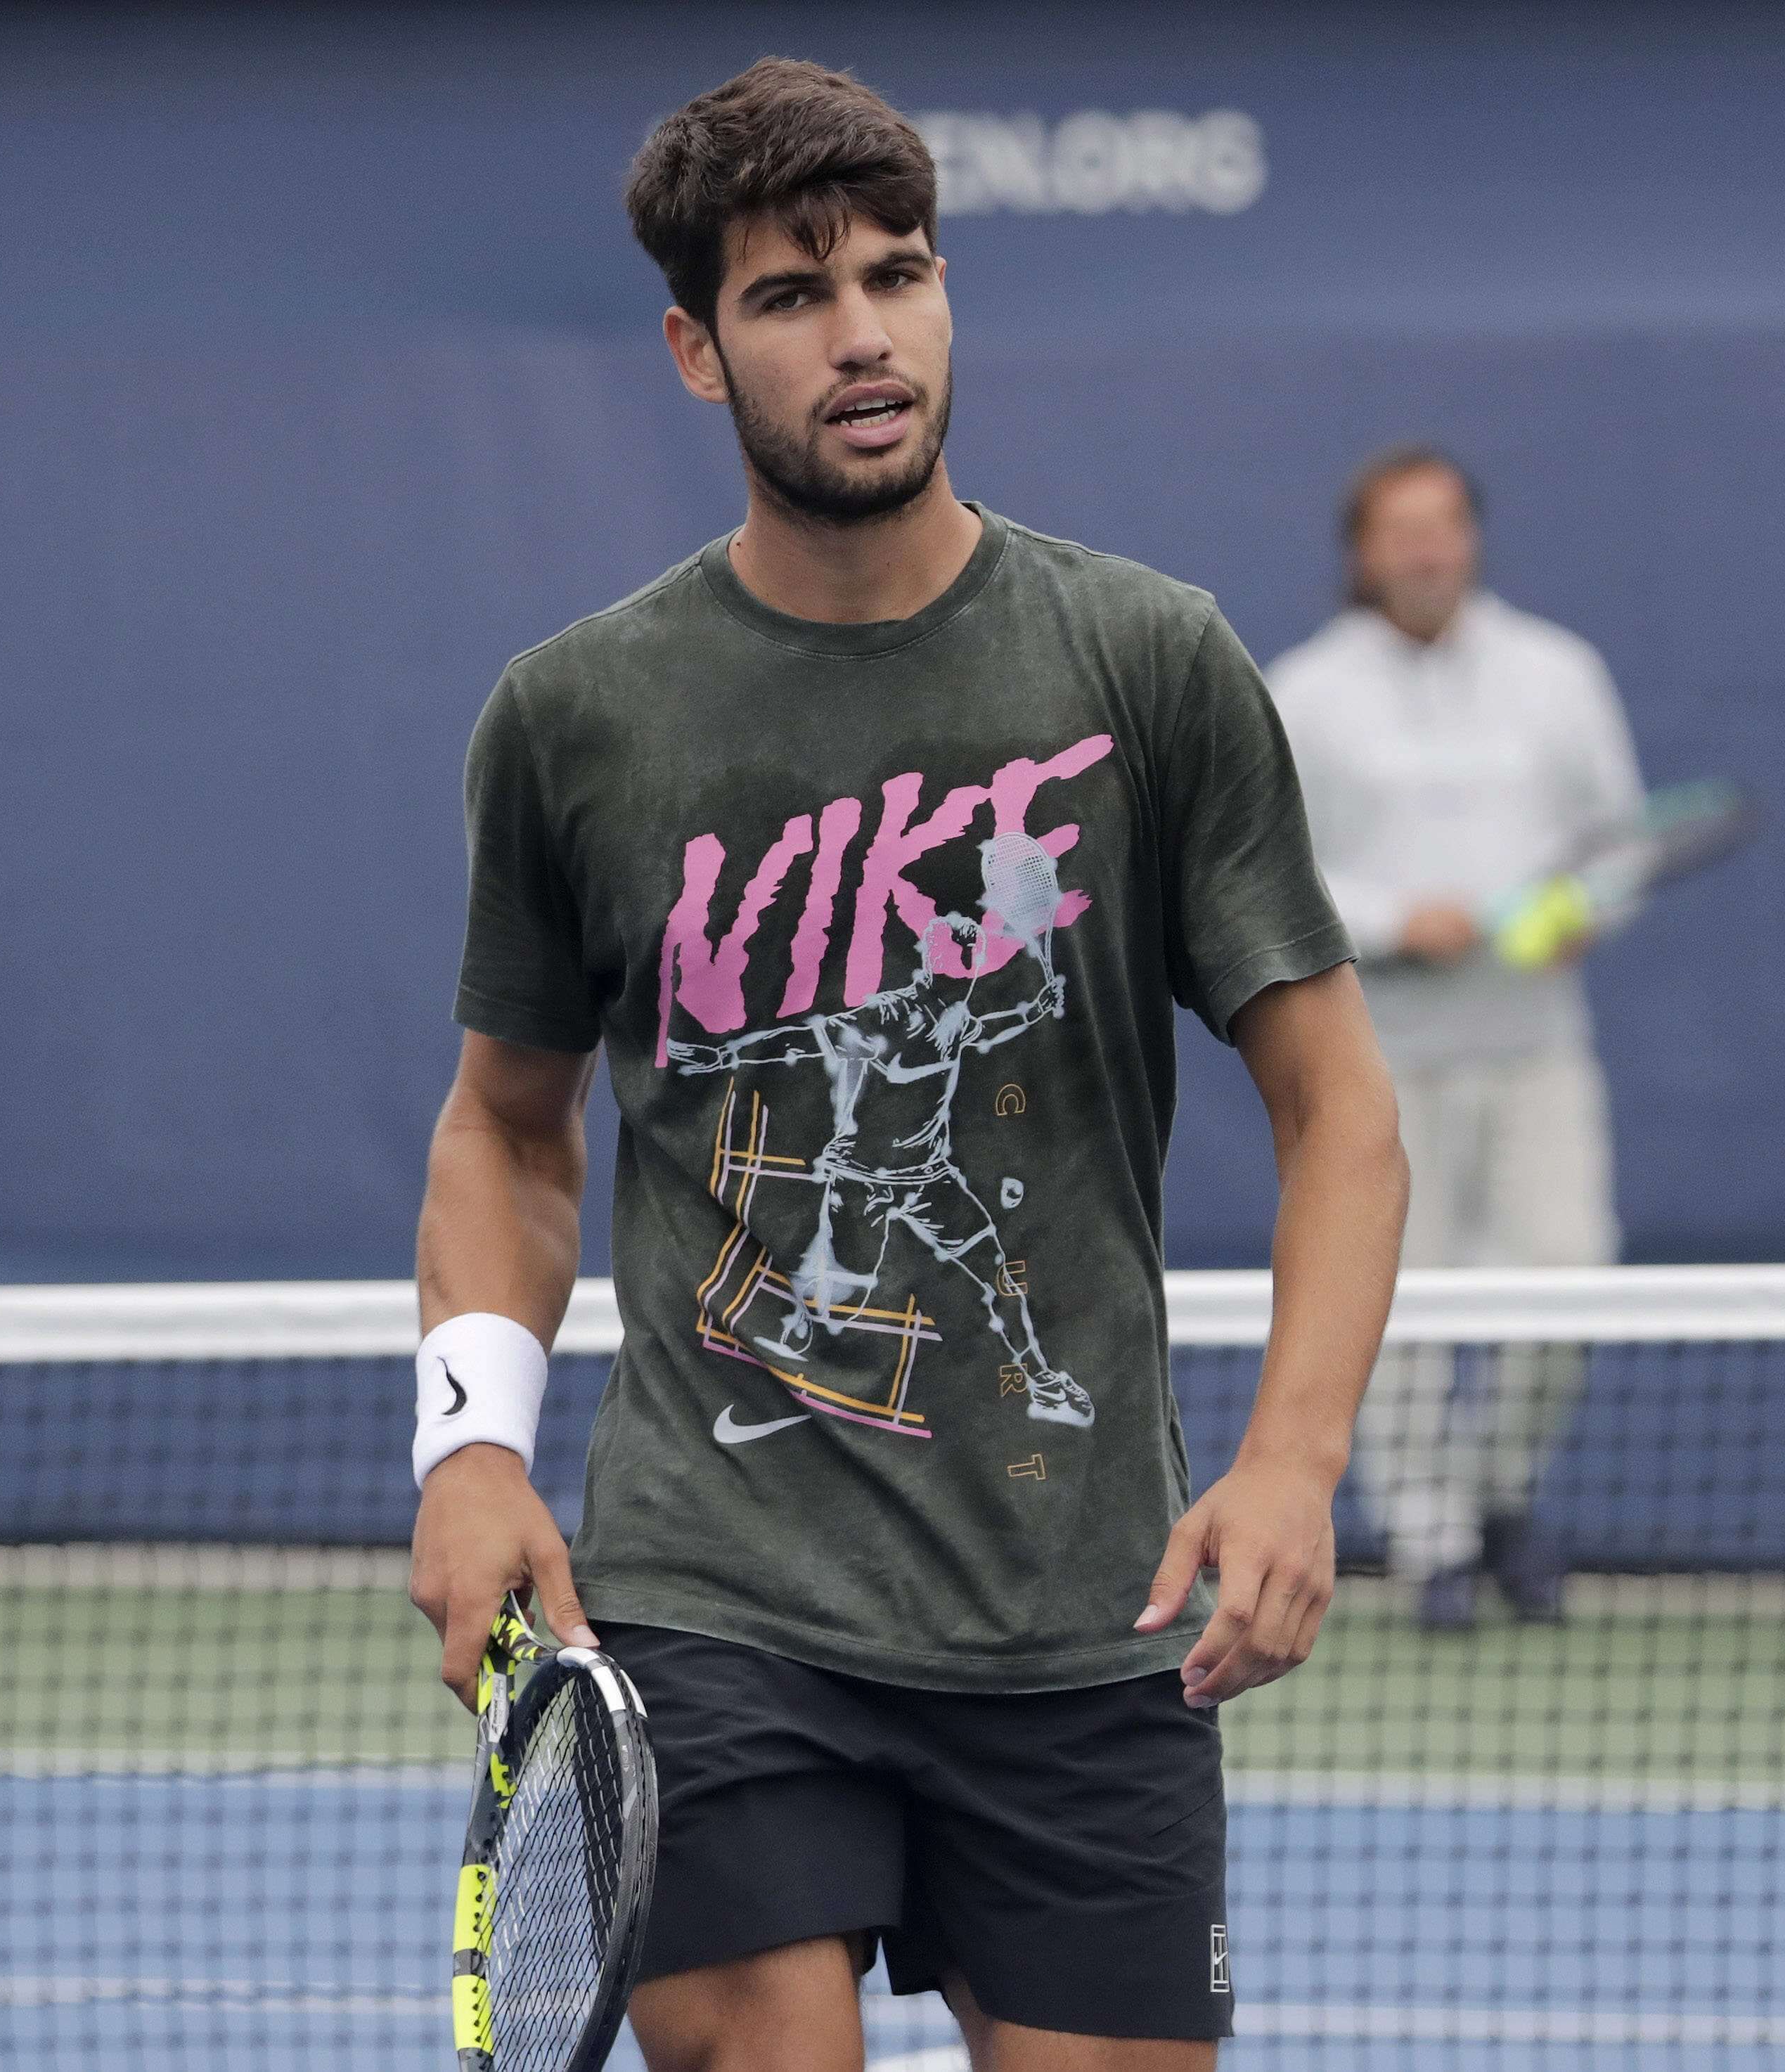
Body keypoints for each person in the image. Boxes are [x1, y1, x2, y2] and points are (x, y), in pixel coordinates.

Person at [404, 58, 1408, 2072]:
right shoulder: (576, 717)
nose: (860, 333)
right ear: (698, 350)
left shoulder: (1147, 665)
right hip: (718, 1593)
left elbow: (1342, 1111)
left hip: (1082, 1608)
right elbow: (507, 1125)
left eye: (898, 273)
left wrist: (1293, 1455)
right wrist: (471, 1447)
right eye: (791, 296)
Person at [1265, 448, 1644, 1634]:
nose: (1427, 551)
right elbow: (1267, 866)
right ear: (1363, 554)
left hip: (1537, 1050)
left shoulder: (1558, 674)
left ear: (1472, 540)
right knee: (1394, 1307)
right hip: (1381, 1064)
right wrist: (1384, 922)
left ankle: (1499, 1500)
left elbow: (1619, 843)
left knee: (1568, 1284)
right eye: (1401, 531)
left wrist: (1583, 907)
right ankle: (1432, 1545)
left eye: (1445, 528)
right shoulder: (1305, 693)